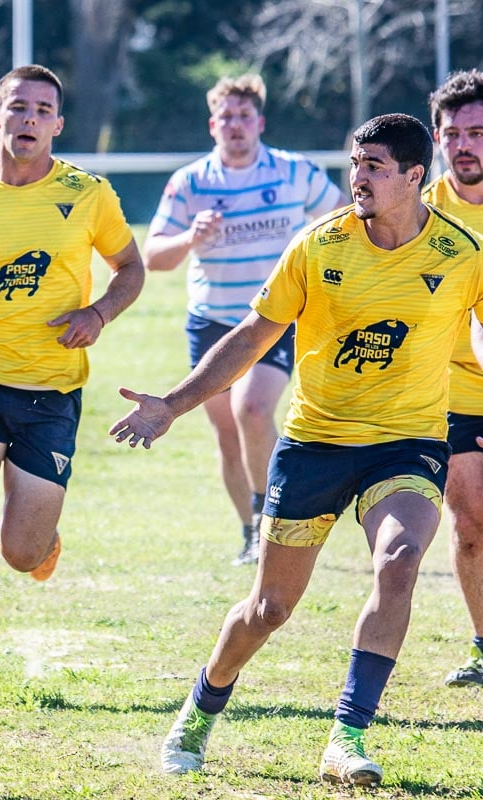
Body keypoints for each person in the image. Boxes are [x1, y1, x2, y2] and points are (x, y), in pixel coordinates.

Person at [111, 113, 483, 786]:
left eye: (374, 165)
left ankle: (346, 737)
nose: (358, 176)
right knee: (269, 608)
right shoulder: (318, 247)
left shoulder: (462, 255)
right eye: (355, 162)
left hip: (409, 445)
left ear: (414, 177)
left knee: (398, 561)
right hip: (315, 444)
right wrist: (171, 404)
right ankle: (201, 706)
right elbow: (253, 336)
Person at [0, 64, 144, 709]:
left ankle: (40, 541)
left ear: (58, 124)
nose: (29, 119)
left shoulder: (86, 192)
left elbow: (130, 267)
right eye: (18, 107)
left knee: (21, 553)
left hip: (52, 393)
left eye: (43, 110)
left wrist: (97, 313)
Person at [144, 74, 345, 565]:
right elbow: (153, 256)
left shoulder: (294, 172)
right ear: (213, 125)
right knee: (229, 437)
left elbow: (345, 219)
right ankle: (250, 532)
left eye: (244, 117)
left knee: (253, 411)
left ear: (260, 122)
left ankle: (272, 516)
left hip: (275, 316)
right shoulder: (191, 182)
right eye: (226, 118)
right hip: (212, 321)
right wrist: (190, 239)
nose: (236, 126)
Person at [423, 69, 483, 688]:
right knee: (470, 523)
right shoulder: (416, 210)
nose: (465, 144)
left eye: (479, 132)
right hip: (450, 390)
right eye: (454, 133)